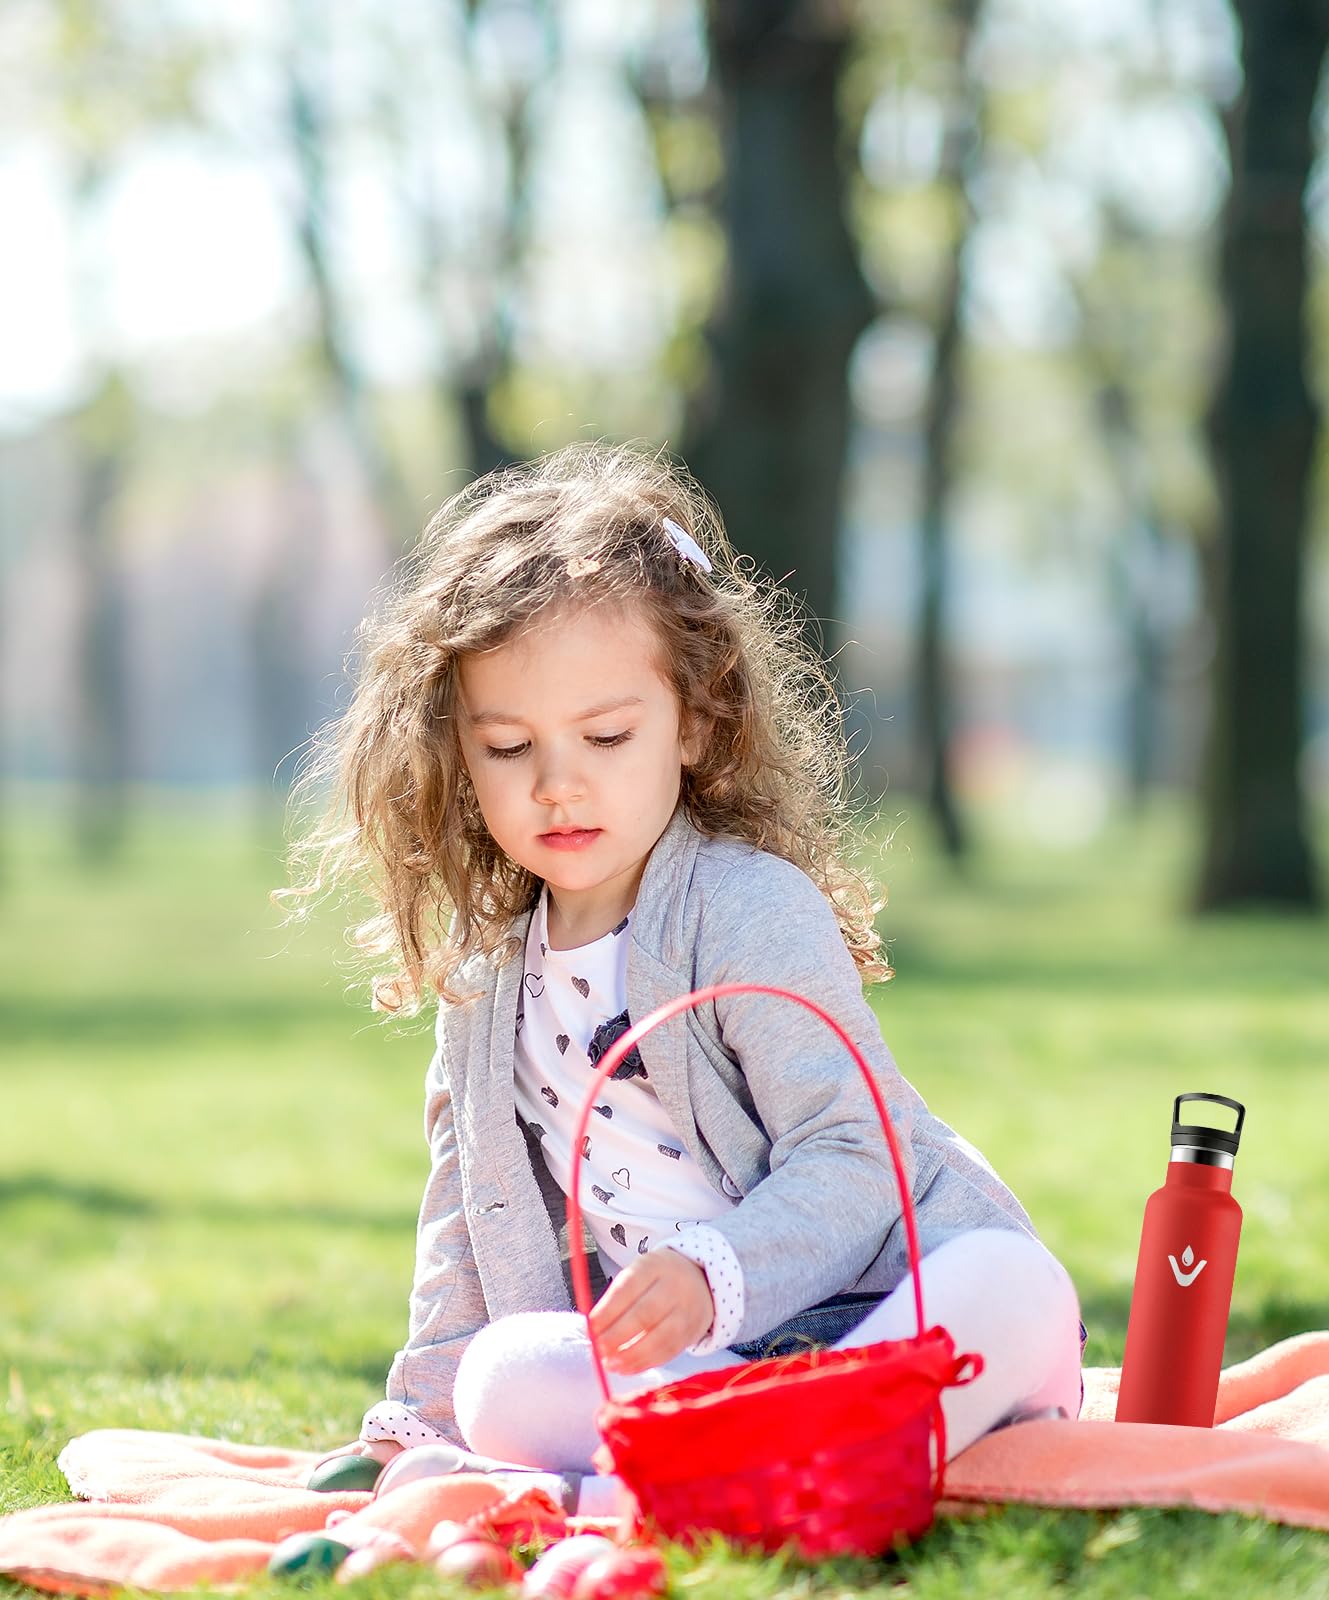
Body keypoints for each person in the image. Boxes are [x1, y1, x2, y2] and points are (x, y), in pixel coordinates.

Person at [280, 442, 1084, 1513]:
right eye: (508, 747)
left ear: (694, 722)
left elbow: (856, 1153)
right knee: (503, 1380)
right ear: (457, 755)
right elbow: (466, 1229)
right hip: (713, 1376)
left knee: (1016, 1285)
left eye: (606, 735)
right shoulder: (485, 987)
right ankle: (781, 1471)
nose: (558, 783)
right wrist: (418, 1423)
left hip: (886, 1317)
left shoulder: (746, 908)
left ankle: (712, 1476)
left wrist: (714, 1269)